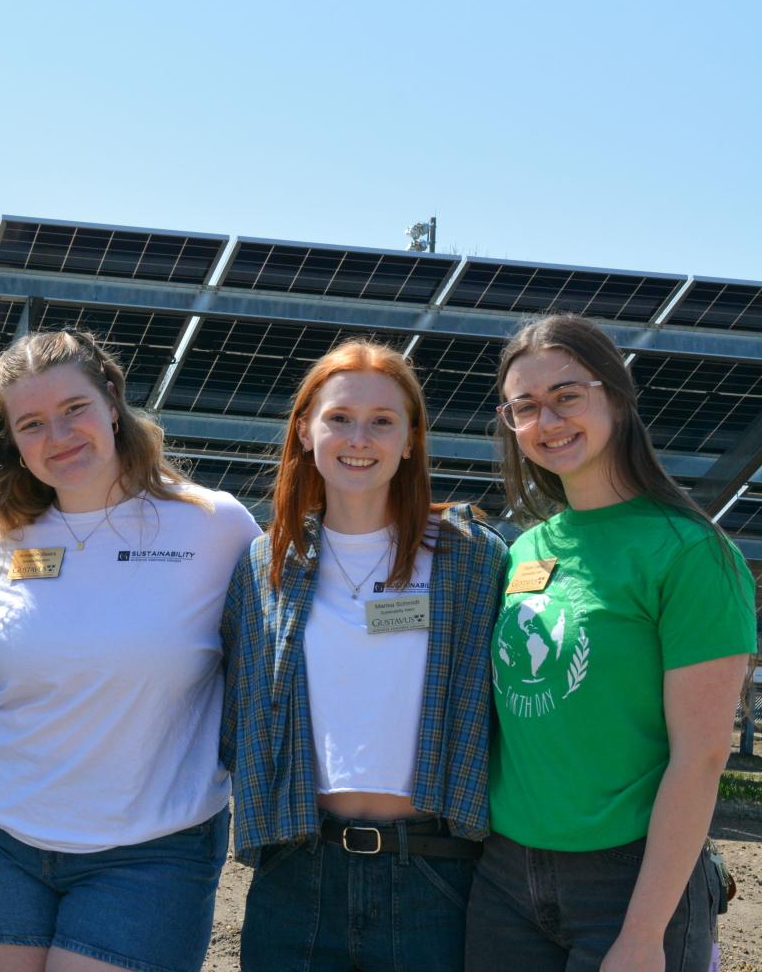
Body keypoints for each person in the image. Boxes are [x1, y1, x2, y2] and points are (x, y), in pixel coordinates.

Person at [0, 329, 258, 972]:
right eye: (32, 424)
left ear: (112, 401)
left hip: (152, 853)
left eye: (74, 409)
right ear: (12, 442)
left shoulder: (216, 527)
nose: (58, 437)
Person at [465, 313, 755, 971]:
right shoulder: (527, 550)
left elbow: (702, 756)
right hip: (505, 876)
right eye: (525, 407)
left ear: (617, 398)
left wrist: (644, 933)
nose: (548, 419)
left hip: (630, 881)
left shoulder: (690, 553)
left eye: (568, 395)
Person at [220, 339, 508, 970]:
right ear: (304, 431)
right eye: (340, 419)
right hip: (297, 871)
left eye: (382, 422)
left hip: (435, 875)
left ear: (410, 440)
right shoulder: (265, 564)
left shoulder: (470, 557)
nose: (359, 438)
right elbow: (235, 716)